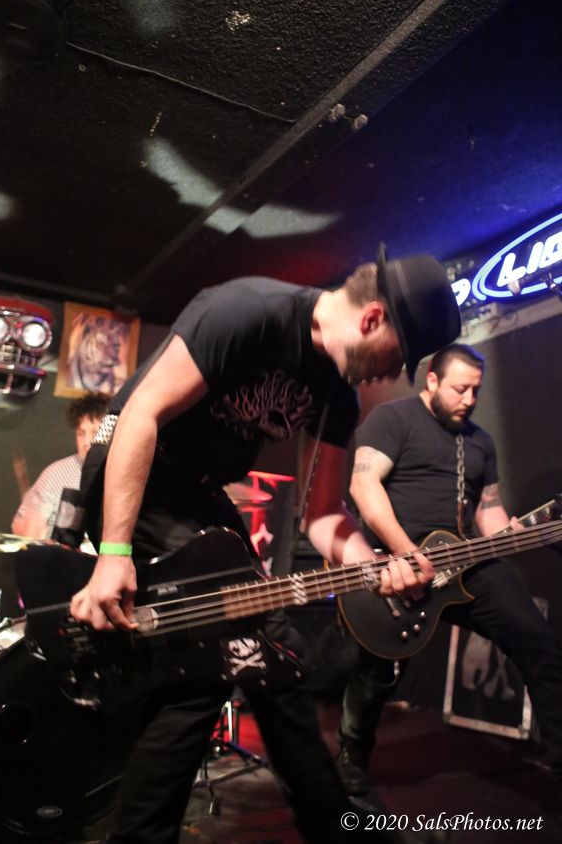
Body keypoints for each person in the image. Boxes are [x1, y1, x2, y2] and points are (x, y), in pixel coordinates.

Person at [69, 245, 460, 844]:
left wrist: (375, 566)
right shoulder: (248, 311)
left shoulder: (336, 394)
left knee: (277, 656)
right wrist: (114, 555)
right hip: (135, 471)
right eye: (396, 357)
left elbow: (322, 516)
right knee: (206, 669)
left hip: (198, 497)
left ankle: (334, 830)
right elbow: (141, 415)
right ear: (373, 318)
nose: (389, 374)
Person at [338, 342, 562, 810]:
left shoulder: (480, 441)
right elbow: (363, 484)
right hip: (398, 563)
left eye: (476, 391)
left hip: (466, 564)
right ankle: (351, 761)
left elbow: (489, 512)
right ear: (432, 381)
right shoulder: (394, 419)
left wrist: (514, 534)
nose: (469, 400)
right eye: (460, 389)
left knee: (539, 643)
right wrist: (408, 554)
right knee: (376, 671)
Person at [11, 392, 110, 540]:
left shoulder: (127, 474)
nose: (86, 442)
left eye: (95, 433)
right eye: (81, 433)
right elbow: (24, 531)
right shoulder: (56, 474)